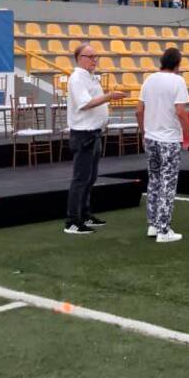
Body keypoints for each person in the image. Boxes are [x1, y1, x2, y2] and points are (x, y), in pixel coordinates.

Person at [136, 48, 189, 243]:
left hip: (151, 138)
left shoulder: (149, 80)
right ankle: (164, 229)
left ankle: (153, 225)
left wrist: (144, 133)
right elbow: (181, 112)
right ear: (177, 64)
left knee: (154, 180)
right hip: (169, 139)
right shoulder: (177, 81)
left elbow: (139, 110)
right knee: (168, 183)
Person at [64, 44, 125, 235]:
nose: (94, 59)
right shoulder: (77, 79)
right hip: (84, 133)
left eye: (95, 56)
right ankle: (72, 221)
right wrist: (109, 97)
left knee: (90, 178)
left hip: (93, 132)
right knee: (81, 179)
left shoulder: (89, 78)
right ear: (79, 58)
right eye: (90, 56)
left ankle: (84, 213)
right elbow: (85, 104)